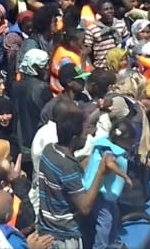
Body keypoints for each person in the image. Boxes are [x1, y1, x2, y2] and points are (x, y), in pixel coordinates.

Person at [36, 101, 117, 248]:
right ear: (74, 139)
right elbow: (85, 207)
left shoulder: (49, 151)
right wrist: (100, 172)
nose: (86, 137)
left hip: (46, 228)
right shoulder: (67, 166)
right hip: (64, 236)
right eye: (84, 134)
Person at [82, 119, 136, 249]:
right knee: (105, 221)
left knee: (114, 214)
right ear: (123, 140)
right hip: (99, 193)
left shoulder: (107, 143)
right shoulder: (109, 151)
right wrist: (125, 177)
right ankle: (99, 246)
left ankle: (112, 243)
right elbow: (108, 163)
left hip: (107, 195)